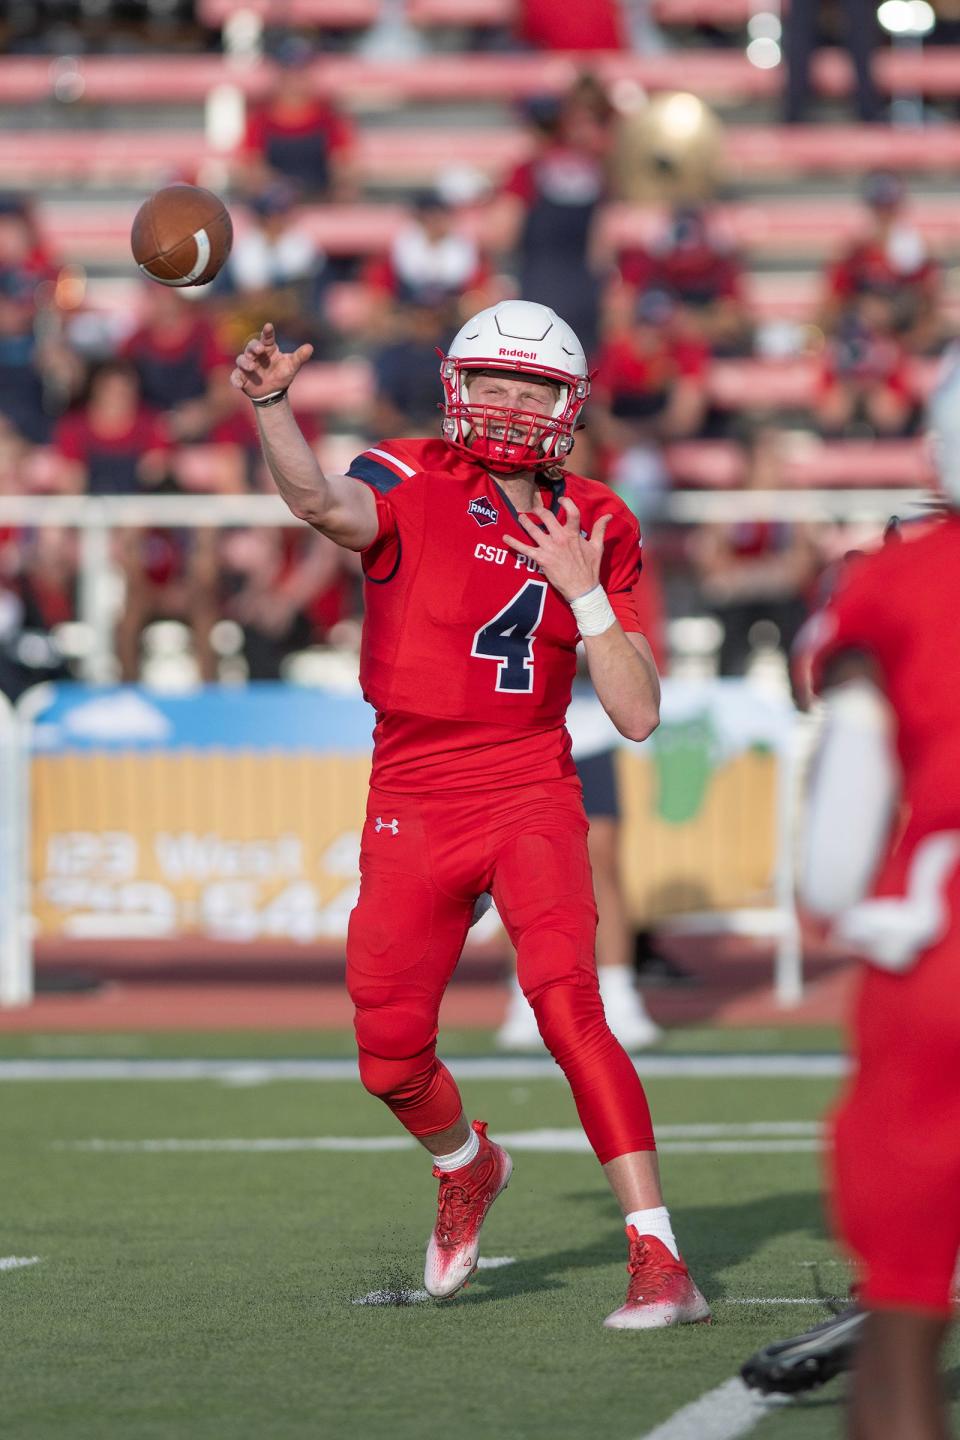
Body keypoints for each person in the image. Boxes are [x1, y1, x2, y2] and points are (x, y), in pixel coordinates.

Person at [230, 298, 709, 1330]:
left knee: (570, 1005)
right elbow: (322, 507)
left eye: (528, 386)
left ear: (566, 404)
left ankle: (659, 1254)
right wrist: (275, 410)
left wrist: (584, 595)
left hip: (530, 777)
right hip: (412, 788)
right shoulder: (404, 473)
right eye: (489, 380)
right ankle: (468, 1165)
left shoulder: (599, 516)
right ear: (455, 386)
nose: (505, 401)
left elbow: (635, 714)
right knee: (389, 1053)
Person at [774, 368, 960, 1436]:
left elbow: (837, 856)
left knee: (901, 1325)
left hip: (940, 944)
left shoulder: (898, 582)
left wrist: (854, 909)